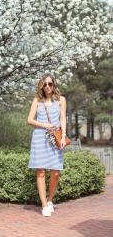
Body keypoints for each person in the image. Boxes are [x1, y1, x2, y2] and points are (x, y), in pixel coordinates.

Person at [27, 73, 67, 217]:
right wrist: (45, 125)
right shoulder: (37, 100)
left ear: (54, 85)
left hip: (55, 138)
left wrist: (63, 136)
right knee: (41, 172)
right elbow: (29, 120)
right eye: (45, 84)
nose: (48, 87)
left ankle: (50, 200)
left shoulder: (61, 100)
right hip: (39, 137)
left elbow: (63, 119)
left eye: (50, 84)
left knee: (55, 171)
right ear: (41, 86)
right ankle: (44, 205)